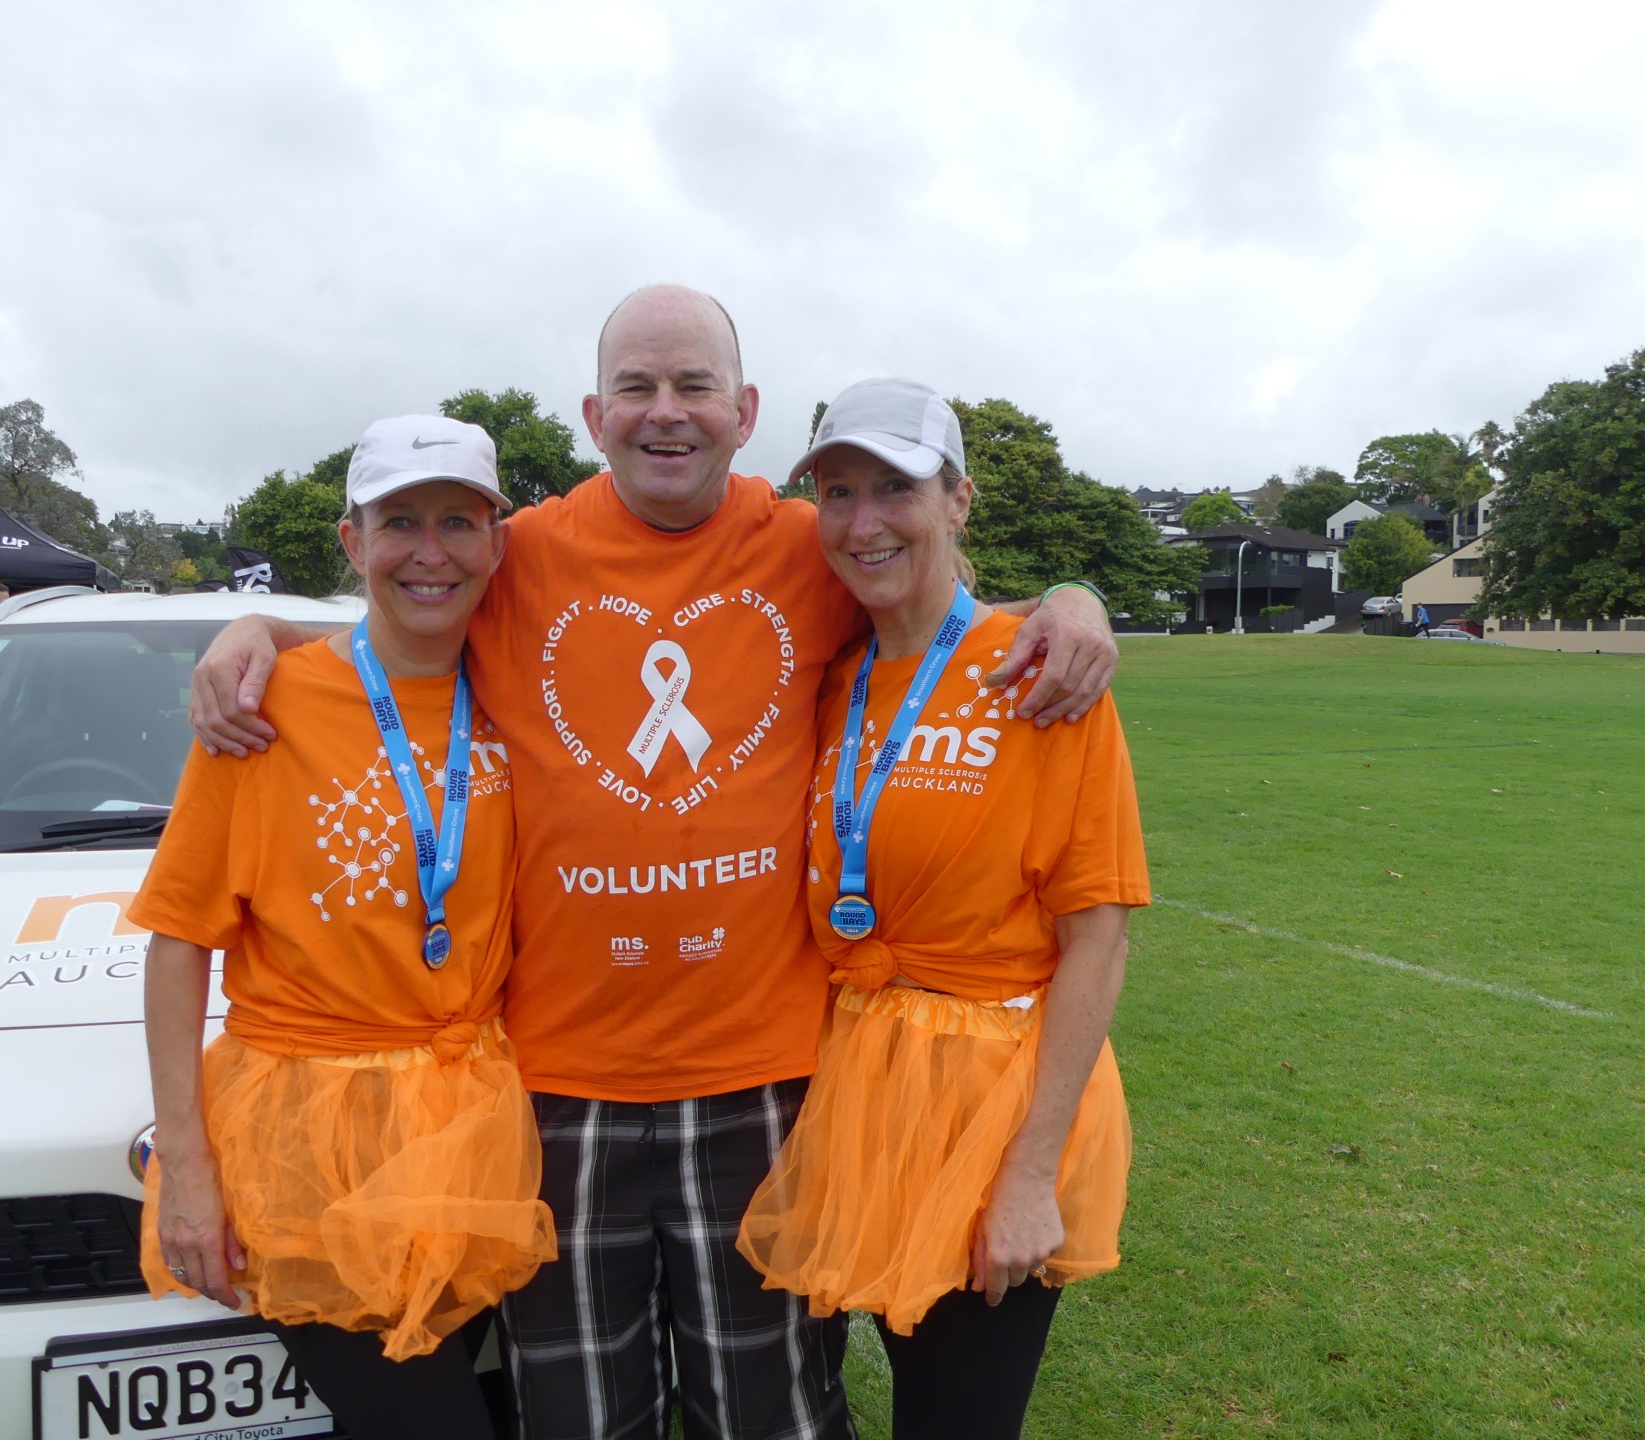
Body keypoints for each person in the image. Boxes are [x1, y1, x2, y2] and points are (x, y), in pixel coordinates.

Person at [187, 286, 1122, 1439]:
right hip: (560, 1085)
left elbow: (932, 608)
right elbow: (396, 615)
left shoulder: (806, 542)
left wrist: (1075, 600)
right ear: (594, 411)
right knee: (583, 1415)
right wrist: (251, 633)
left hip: (770, 1083)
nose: (664, 412)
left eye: (694, 387)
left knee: (768, 1413)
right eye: (637, 387)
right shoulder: (518, 553)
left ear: (745, 411)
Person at [130, 415, 556, 1440]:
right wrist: (186, 1163)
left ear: (497, 542)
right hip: (316, 1147)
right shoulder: (262, 704)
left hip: (473, 1126)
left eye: (459, 521)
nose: (430, 551)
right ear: (351, 541)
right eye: (398, 521)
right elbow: (178, 939)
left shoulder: (518, 690)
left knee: (470, 1401)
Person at [736, 378, 1148, 1439]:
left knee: (955, 1417)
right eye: (837, 493)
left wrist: (1027, 1176)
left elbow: (1097, 939)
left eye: (895, 489)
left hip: (993, 1107)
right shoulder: (830, 677)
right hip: (856, 1085)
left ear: (958, 501)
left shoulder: (1040, 674)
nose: (863, 522)